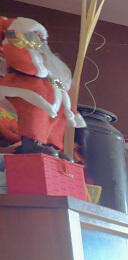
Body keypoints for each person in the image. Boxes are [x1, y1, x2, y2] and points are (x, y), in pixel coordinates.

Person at [0, 17, 84, 156]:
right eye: (36, 36)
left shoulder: (45, 59)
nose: (39, 41)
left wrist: (65, 99)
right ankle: (31, 144)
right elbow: (28, 66)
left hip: (47, 90)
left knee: (58, 112)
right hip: (24, 88)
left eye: (41, 38)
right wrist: (14, 32)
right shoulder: (15, 46)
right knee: (35, 110)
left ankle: (49, 143)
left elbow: (55, 79)